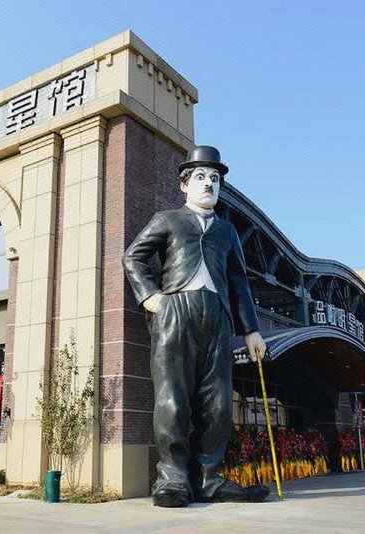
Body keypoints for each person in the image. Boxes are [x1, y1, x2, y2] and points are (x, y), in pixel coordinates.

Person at [122, 145, 269, 507]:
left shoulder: (227, 232)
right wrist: (151, 297)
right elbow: (133, 256)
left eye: (215, 179)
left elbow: (239, 281)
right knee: (172, 398)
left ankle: (208, 478)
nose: (209, 184)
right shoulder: (167, 219)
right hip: (176, 312)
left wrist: (251, 329)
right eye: (201, 177)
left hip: (218, 317)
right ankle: (172, 478)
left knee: (218, 403)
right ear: (184, 184)